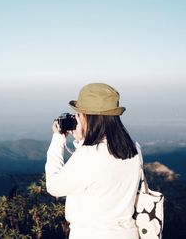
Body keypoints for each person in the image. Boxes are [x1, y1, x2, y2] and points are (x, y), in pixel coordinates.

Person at [45, 83, 142, 239]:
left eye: (78, 114)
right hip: (128, 233)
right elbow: (100, 174)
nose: (77, 117)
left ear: (88, 116)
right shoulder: (133, 148)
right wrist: (84, 141)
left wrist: (58, 139)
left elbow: (53, 187)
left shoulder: (89, 155)